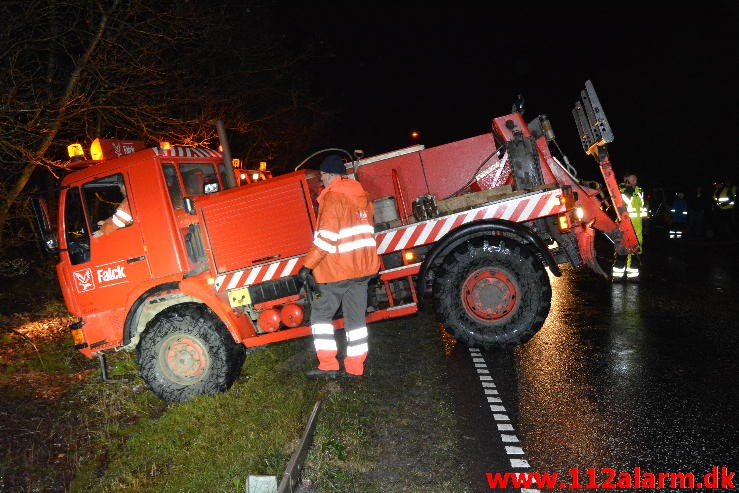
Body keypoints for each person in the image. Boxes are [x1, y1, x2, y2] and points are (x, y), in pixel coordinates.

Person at [297, 154, 381, 379]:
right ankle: (355, 368)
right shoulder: (362, 197)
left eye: (323, 176)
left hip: (338, 272)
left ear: (329, 174)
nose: (322, 181)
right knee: (356, 322)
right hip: (362, 271)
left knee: (321, 316)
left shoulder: (333, 198)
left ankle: (328, 365)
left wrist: (307, 266)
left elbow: (326, 238)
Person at [612, 172, 647, 281]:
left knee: (635, 252)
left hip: (638, 228)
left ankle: (633, 277)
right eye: (632, 180)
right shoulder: (620, 192)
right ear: (626, 180)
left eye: (635, 180)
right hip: (624, 227)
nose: (635, 182)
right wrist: (627, 191)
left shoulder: (639, 191)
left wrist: (646, 224)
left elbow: (643, 209)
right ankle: (617, 276)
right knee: (622, 251)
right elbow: (620, 206)